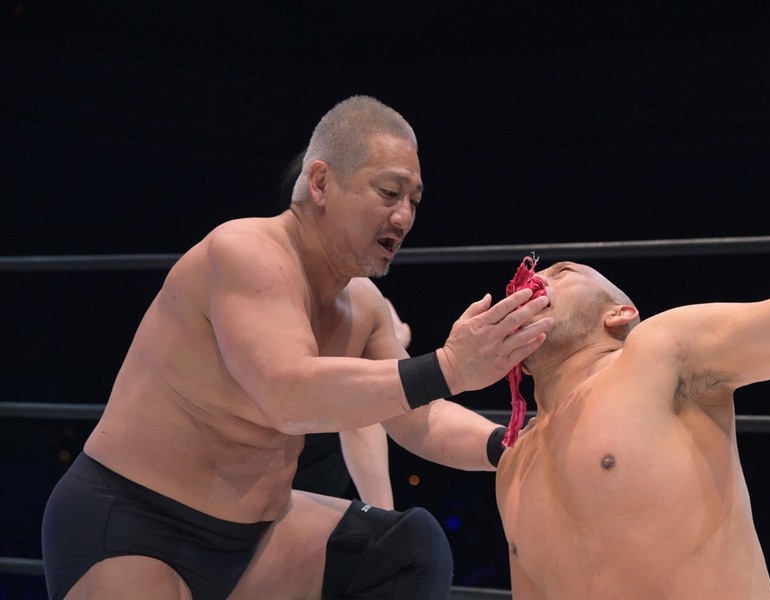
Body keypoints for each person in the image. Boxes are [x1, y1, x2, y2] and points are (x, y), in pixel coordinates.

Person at [41, 95, 552, 600]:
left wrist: (517, 444)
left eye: (414, 201)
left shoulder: (364, 306)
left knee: (408, 550)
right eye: (389, 192)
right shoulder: (246, 253)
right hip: (136, 524)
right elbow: (287, 396)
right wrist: (450, 365)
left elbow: (417, 419)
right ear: (321, 183)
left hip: (254, 540)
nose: (403, 217)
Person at [494, 238, 770, 599]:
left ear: (619, 314)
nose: (535, 279)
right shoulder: (514, 465)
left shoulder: (657, 353)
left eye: (562, 272)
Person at [278, 147, 408, 508]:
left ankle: (383, 518)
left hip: (319, 478)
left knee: (364, 382)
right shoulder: (265, 280)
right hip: (249, 477)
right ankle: (383, 516)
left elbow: (416, 414)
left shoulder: (362, 299)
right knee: (359, 384)